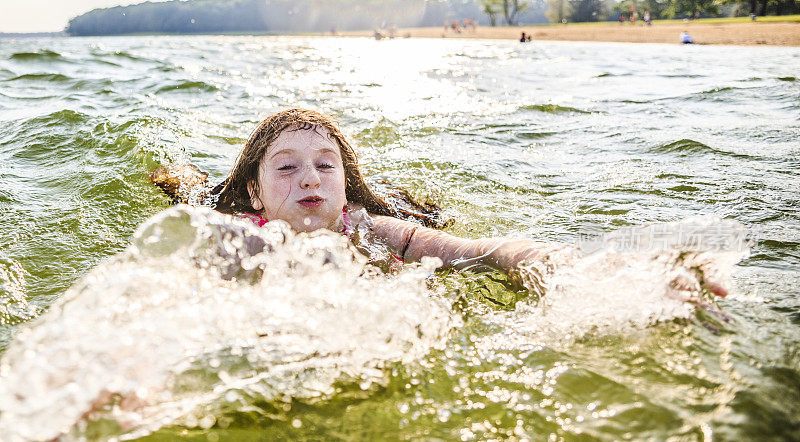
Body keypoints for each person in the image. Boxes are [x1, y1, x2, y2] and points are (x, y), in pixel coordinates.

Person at [150, 108, 728, 295]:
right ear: (256, 189)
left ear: (345, 186)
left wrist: (584, 268)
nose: (311, 179)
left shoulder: (371, 229)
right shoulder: (237, 232)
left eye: (326, 165)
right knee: (186, 186)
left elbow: (485, 251)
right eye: (287, 167)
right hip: (214, 198)